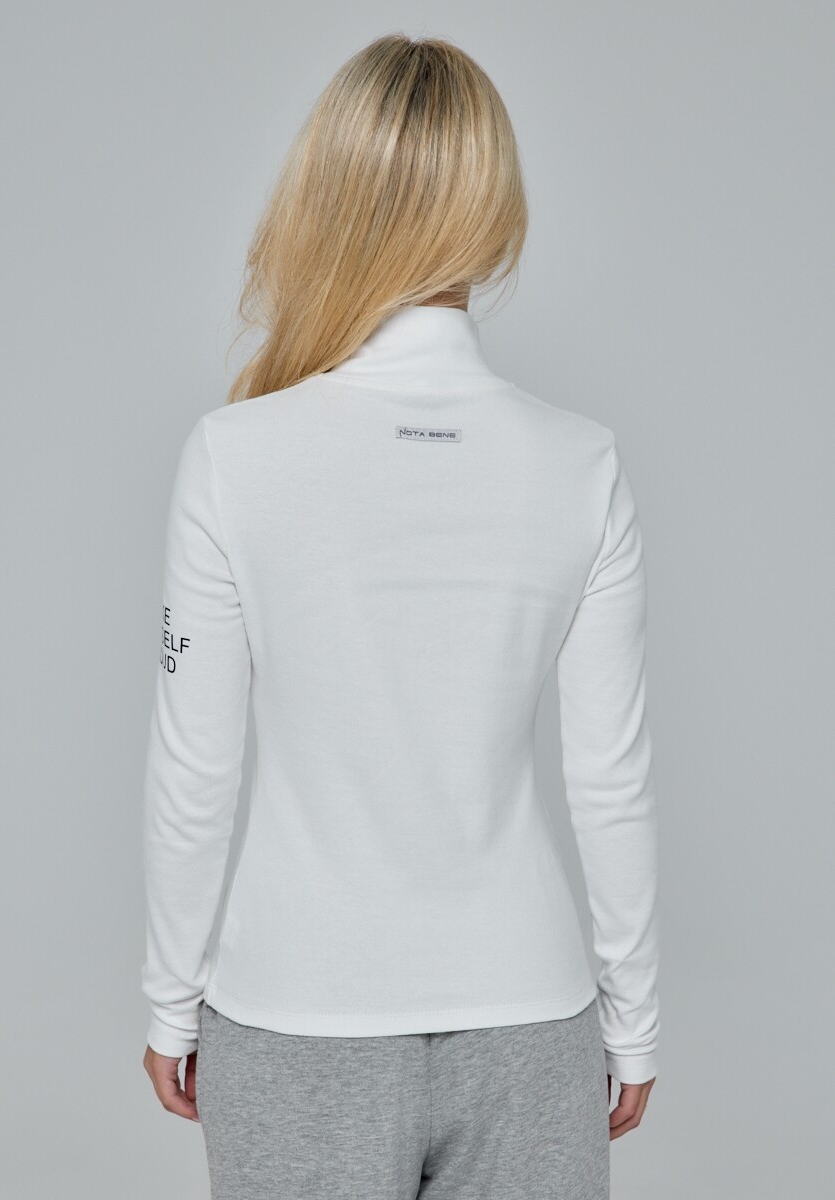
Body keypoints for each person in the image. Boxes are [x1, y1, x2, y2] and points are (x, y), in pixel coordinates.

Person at [140, 32, 659, 1200]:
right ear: (496, 209)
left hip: (296, 1018)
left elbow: (196, 765)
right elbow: (609, 775)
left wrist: (172, 1000)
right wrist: (634, 1021)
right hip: (531, 1021)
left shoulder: (235, 455)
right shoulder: (579, 463)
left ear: (326, 196)